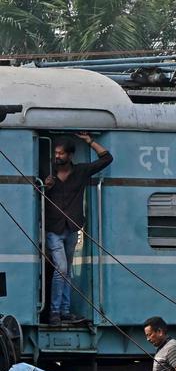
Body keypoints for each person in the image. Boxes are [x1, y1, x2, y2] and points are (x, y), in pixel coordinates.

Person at [42, 133, 111, 325]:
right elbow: (33, 194)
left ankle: (64, 310)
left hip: (72, 227)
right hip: (53, 229)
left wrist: (90, 142)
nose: (57, 156)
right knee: (62, 269)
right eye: (56, 153)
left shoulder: (81, 171)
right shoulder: (47, 172)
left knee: (67, 270)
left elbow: (107, 158)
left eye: (61, 153)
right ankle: (55, 312)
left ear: (70, 155)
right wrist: (45, 188)